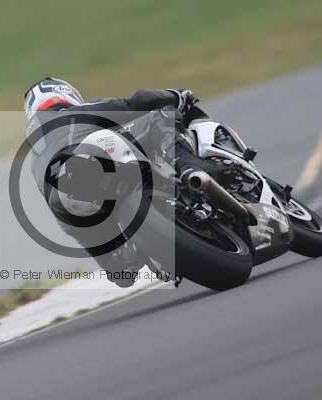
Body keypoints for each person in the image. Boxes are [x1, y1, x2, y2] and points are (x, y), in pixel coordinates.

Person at [23, 77, 232, 286]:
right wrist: (177, 96)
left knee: (121, 272)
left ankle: (125, 259)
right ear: (65, 94)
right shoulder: (68, 113)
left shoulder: (35, 161)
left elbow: (61, 211)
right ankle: (191, 166)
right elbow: (135, 103)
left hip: (67, 204)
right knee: (160, 116)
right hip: (90, 165)